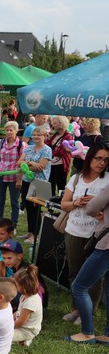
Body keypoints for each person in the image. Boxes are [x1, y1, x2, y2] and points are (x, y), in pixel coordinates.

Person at [60, 143, 109, 334]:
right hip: (74, 230)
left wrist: (97, 212)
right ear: (89, 158)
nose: (102, 163)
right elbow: (64, 204)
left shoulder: (107, 181)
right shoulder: (75, 179)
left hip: (97, 235)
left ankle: (89, 312)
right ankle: (76, 308)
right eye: (98, 158)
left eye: (106, 159)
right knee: (74, 272)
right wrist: (76, 202)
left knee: (95, 277)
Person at [18, 127, 52, 244]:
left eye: (39, 134)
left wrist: (25, 165)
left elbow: (41, 167)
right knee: (28, 206)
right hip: (27, 181)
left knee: (35, 208)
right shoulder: (29, 148)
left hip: (39, 182)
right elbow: (19, 162)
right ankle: (30, 231)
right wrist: (30, 163)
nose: (36, 137)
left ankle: (36, 235)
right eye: (34, 134)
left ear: (44, 136)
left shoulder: (47, 150)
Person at [0, 121, 26, 225]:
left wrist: (20, 179)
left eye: (11, 130)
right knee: (0, 201)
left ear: (16, 131)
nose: (8, 132)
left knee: (14, 202)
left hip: (14, 176)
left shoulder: (21, 145)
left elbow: (22, 164)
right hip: (1, 175)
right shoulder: (1, 142)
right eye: (6, 130)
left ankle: (14, 224)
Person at [12, 265, 43, 346]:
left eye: (17, 285)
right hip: (22, 327)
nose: (15, 287)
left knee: (2, 335)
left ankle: (27, 338)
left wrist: (7, 325)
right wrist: (10, 317)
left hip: (27, 331)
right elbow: (18, 312)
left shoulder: (31, 302)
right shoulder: (24, 296)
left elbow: (20, 322)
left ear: (24, 287)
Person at [46, 115, 74, 195]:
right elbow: (47, 146)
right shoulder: (54, 135)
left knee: (61, 187)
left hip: (61, 165)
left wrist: (50, 152)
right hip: (51, 164)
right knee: (50, 185)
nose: (53, 125)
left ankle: (60, 204)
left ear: (61, 124)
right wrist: (48, 138)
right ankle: (50, 205)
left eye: (55, 123)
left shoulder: (68, 136)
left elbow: (61, 151)